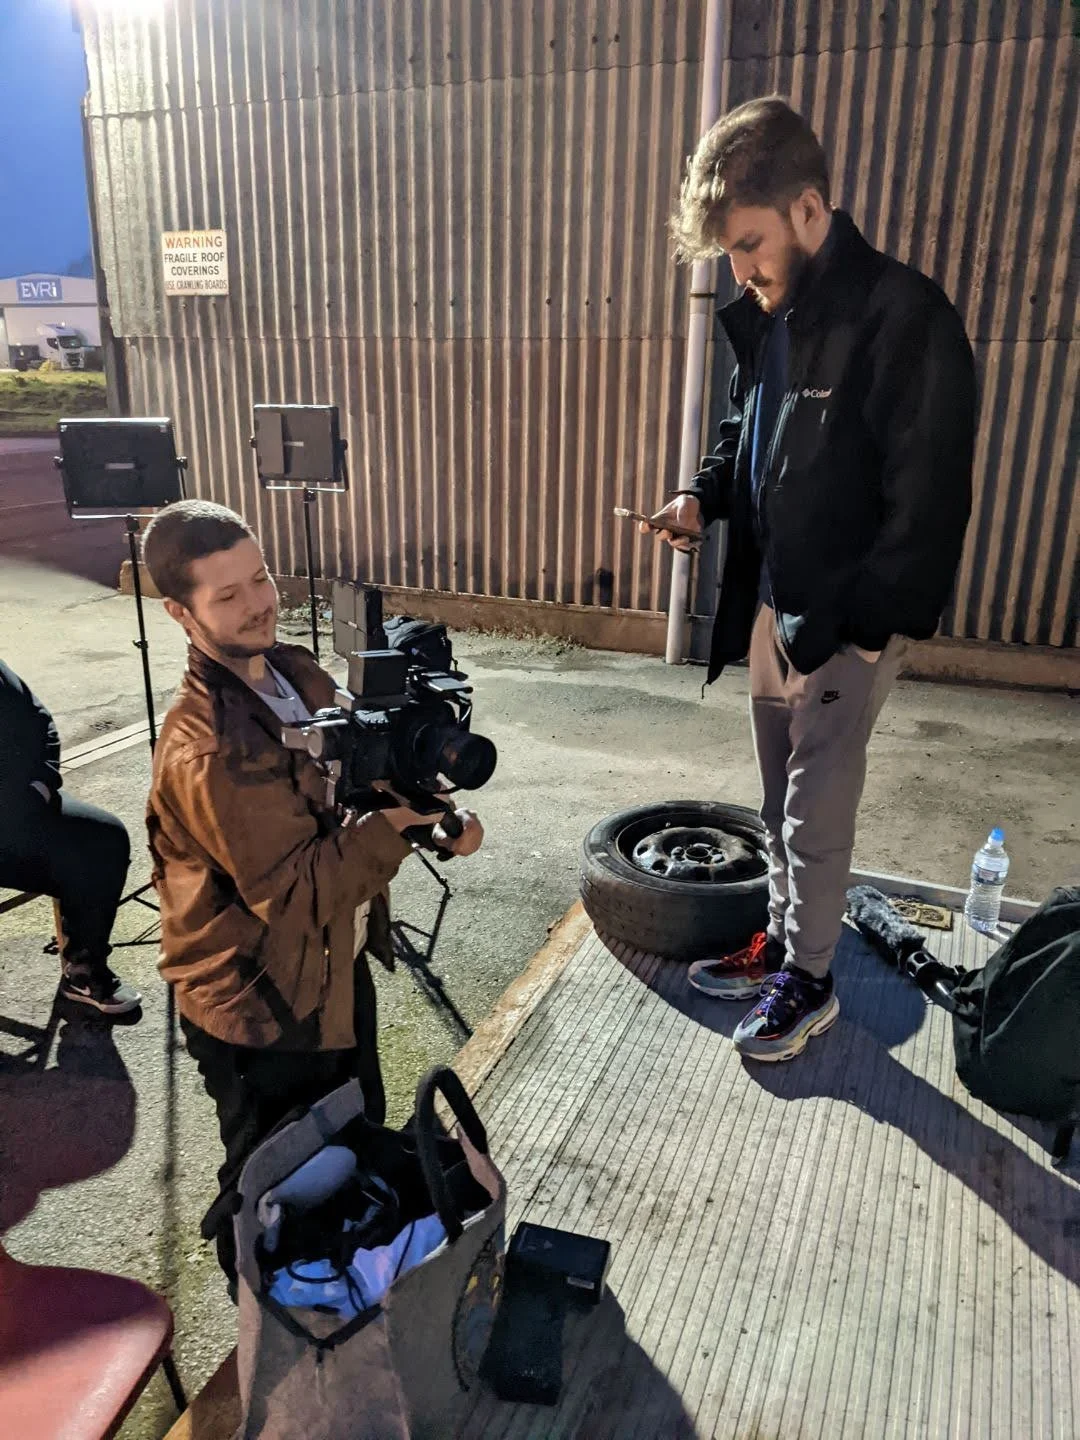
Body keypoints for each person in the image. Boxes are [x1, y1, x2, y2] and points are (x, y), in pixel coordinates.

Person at [647, 96, 975, 1061]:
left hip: (846, 616)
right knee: (776, 797)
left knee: (815, 807)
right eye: (729, 253)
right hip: (773, 601)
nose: (739, 270)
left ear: (809, 206)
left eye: (749, 242)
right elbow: (743, 433)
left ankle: (812, 983)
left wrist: (870, 623)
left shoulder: (901, 315)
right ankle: (785, 946)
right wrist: (701, 498)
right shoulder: (773, 318)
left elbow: (931, 492)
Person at [142, 499, 483, 1288]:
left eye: (258, 577)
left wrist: (432, 821)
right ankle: (269, 1326)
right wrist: (397, 826)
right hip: (257, 1009)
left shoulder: (295, 669)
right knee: (274, 1181)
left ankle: (337, 1287)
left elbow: (360, 787)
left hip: (330, 974)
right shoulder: (209, 748)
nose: (257, 601)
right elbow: (299, 894)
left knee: (348, 1144)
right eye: (226, 595)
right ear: (178, 612)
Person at [0, 658, 141, 1016]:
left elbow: (37, 721)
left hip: (20, 812)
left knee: (103, 839)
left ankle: (83, 967)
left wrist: (40, 786)